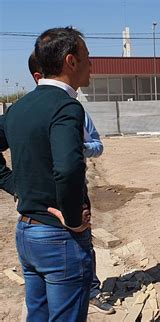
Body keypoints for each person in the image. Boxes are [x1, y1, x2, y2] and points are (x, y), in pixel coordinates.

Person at [2, 27, 93, 321]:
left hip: (27, 235)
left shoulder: (19, 108)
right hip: (59, 238)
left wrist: (15, 184)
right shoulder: (66, 107)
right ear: (71, 61)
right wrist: (73, 218)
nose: (91, 64)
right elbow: (68, 167)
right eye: (87, 57)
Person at [28, 53, 114, 314]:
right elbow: (64, 170)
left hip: (58, 214)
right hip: (43, 219)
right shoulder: (28, 111)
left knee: (43, 305)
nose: (90, 66)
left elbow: (95, 147)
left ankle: (92, 289)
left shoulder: (73, 111)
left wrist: (74, 147)